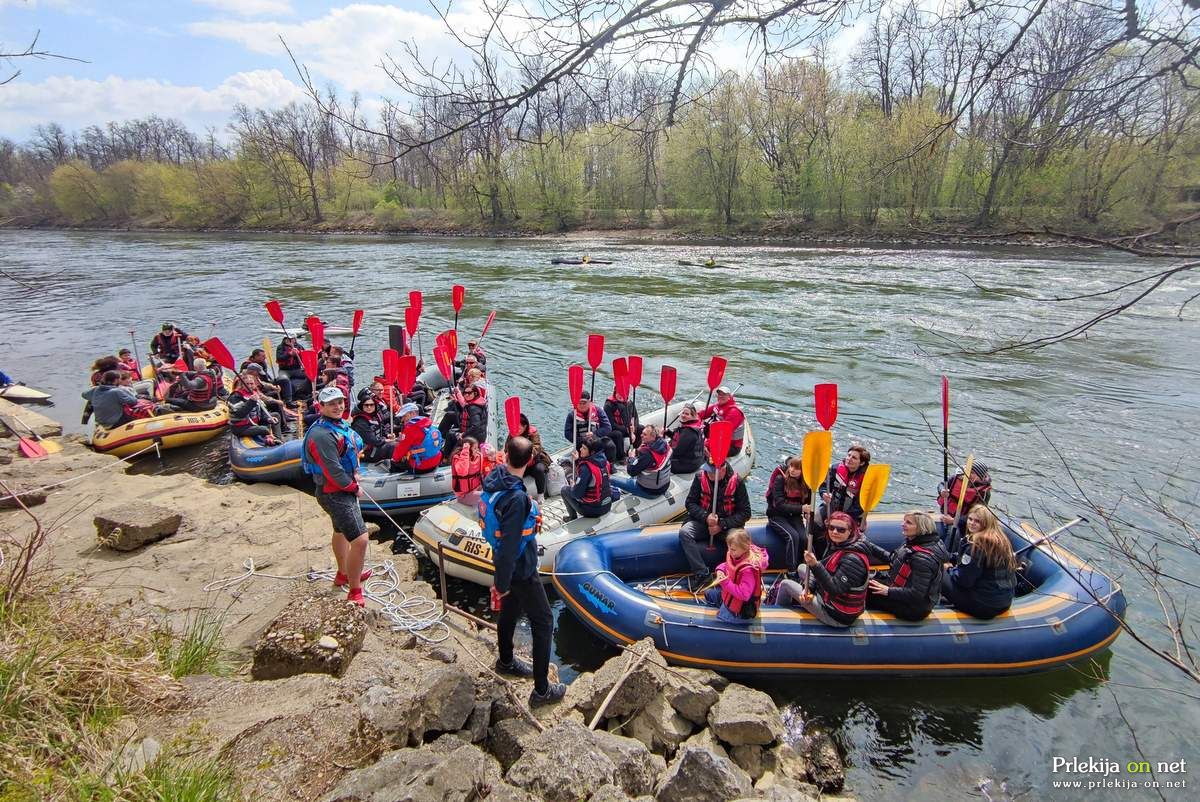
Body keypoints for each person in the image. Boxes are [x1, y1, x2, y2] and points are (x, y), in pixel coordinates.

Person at [480, 435, 565, 705]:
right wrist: (501, 583)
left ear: (505, 455)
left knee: (511, 611)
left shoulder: (494, 479)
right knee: (544, 621)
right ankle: (542, 690)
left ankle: (506, 660)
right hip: (520, 568)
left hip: (506, 564)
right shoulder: (516, 499)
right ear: (529, 461)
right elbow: (509, 544)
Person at [301, 386, 370, 607]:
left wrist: (356, 469)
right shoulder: (321, 435)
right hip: (335, 493)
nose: (338, 406)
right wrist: (353, 487)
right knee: (360, 540)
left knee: (340, 532)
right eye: (331, 404)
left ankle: (343, 574)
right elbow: (333, 471)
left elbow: (350, 450)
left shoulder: (337, 425)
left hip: (338, 489)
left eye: (340, 402)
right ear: (321, 407)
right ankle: (354, 590)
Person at [773, 511, 870, 627]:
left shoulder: (852, 560)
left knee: (785, 584)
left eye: (841, 530)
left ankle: (776, 619)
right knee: (802, 567)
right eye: (831, 528)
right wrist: (807, 589)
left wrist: (815, 565)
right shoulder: (838, 545)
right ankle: (802, 595)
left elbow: (834, 589)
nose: (834, 532)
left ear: (850, 532)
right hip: (827, 597)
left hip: (836, 614)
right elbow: (822, 573)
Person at [864, 511, 949, 621]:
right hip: (899, 590)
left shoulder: (922, 558)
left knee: (861, 591)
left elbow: (917, 594)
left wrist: (888, 591)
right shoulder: (914, 543)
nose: (902, 524)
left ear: (921, 528)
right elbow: (893, 559)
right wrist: (868, 545)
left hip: (912, 608)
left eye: (908, 523)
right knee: (863, 580)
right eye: (904, 521)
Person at [678, 455, 751, 583]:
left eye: (711, 472)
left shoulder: (737, 482)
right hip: (704, 523)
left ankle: (735, 573)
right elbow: (690, 503)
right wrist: (706, 517)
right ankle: (701, 573)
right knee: (685, 532)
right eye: (707, 470)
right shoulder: (700, 478)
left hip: (727, 527)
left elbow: (745, 513)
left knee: (737, 538)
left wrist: (721, 525)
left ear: (722, 470)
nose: (708, 474)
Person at [940, 504, 1016, 619]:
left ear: (986, 523)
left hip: (983, 606)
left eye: (977, 521)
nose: (971, 523)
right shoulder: (1001, 540)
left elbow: (964, 581)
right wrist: (953, 559)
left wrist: (949, 569)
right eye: (970, 519)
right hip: (1003, 602)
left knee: (936, 568)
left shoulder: (976, 545)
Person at [701, 528, 767, 624]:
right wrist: (720, 569)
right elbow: (728, 565)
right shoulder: (736, 554)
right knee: (708, 594)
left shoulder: (748, 570)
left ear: (744, 548)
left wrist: (725, 582)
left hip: (740, 609)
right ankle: (723, 602)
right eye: (729, 548)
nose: (730, 551)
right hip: (729, 595)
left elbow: (744, 595)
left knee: (717, 621)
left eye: (733, 550)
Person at [766, 456, 813, 575]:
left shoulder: (805, 483)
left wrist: (808, 513)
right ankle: (791, 570)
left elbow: (808, 501)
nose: (792, 470)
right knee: (792, 537)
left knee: (804, 538)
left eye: (797, 468)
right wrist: (802, 508)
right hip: (777, 516)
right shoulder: (780, 479)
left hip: (794, 516)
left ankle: (803, 567)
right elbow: (780, 505)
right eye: (791, 466)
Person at [938, 461, 993, 554]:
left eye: (972, 473)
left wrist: (954, 521)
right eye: (968, 471)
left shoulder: (984, 493)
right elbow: (941, 484)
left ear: (980, 476)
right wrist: (942, 490)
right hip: (948, 513)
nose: (968, 475)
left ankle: (947, 557)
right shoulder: (957, 478)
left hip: (966, 521)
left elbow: (978, 514)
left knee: (954, 533)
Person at [81, 370, 170, 428]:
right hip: (116, 421)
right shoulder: (116, 391)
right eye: (119, 379)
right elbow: (133, 401)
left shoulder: (95, 390)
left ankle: (86, 422)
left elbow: (84, 395)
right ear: (115, 380)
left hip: (102, 422)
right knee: (146, 410)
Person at [560, 434, 613, 521]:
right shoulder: (605, 462)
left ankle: (572, 517)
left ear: (592, 452)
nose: (580, 449)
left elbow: (577, 494)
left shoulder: (585, 468)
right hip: (607, 504)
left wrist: (573, 487)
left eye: (584, 448)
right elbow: (591, 464)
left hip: (593, 510)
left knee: (565, 490)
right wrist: (578, 460)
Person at [611, 424, 672, 499]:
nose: (641, 435)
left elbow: (631, 472)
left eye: (645, 434)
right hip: (664, 485)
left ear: (653, 436)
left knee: (611, 479)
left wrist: (631, 458)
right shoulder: (665, 445)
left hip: (649, 491)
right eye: (642, 433)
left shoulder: (648, 455)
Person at [817, 445, 870, 529]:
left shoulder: (866, 478)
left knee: (842, 528)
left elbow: (860, 505)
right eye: (849, 455)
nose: (849, 459)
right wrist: (823, 493)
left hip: (853, 513)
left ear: (862, 463)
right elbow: (823, 486)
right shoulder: (835, 468)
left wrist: (841, 518)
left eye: (854, 458)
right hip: (832, 506)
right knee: (816, 520)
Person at [504, 413, 550, 500]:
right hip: (519, 462)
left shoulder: (533, 433)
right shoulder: (512, 433)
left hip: (534, 461)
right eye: (515, 428)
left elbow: (537, 446)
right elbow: (507, 448)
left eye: (519, 428)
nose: (517, 430)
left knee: (539, 469)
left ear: (525, 427)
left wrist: (526, 453)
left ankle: (541, 494)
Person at [229, 372, 283, 445]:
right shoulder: (236, 396)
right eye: (247, 384)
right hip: (242, 427)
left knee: (276, 415)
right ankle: (269, 440)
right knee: (264, 429)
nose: (250, 386)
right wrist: (251, 402)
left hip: (255, 423)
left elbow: (262, 412)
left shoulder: (255, 393)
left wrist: (268, 418)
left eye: (251, 384)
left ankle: (277, 439)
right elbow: (239, 414)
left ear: (254, 384)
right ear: (242, 385)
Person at [390, 402, 444, 474]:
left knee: (394, 462)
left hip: (422, 465)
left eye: (404, 416)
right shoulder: (426, 422)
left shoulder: (410, 429)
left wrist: (394, 459)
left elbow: (400, 451)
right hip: (436, 459)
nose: (402, 419)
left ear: (412, 414)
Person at [563, 391, 615, 464]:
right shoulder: (572, 415)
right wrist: (581, 440)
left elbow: (607, 427)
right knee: (582, 452)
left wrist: (594, 434)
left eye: (584, 403)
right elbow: (567, 433)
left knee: (610, 445)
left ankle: (609, 465)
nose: (581, 405)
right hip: (581, 442)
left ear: (589, 402)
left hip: (596, 440)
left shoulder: (598, 411)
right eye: (579, 403)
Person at [440, 380, 488, 457]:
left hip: (475, 437)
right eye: (465, 393)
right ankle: (441, 437)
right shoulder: (473, 402)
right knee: (450, 418)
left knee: (451, 434)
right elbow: (465, 411)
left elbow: (475, 426)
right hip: (472, 430)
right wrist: (456, 402)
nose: (466, 395)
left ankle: (446, 458)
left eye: (469, 393)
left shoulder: (474, 408)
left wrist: (463, 434)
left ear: (475, 393)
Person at [700, 385, 746, 456]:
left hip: (731, 445)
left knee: (699, 448)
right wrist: (691, 419)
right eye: (719, 394)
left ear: (729, 397)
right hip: (718, 437)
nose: (720, 396)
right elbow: (703, 414)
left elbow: (723, 433)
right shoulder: (718, 405)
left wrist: (706, 444)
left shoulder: (734, 412)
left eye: (724, 394)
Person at [452, 436, 496, 506]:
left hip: (477, 489)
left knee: (496, 494)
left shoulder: (478, 456)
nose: (477, 450)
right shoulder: (458, 458)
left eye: (477, 448)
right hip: (465, 495)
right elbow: (462, 472)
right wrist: (465, 451)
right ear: (468, 450)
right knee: (490, 497)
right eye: (475, 448)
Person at [351, 396, 394, 463]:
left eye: (371, 405)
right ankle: (394, 465)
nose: (369, 407)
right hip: (366, 452)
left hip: (376, 447)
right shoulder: (360, 421)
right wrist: (385, 440)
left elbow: (382, 428)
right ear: (362, 406)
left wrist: (388, 435)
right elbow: (371, 440)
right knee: (392, 446)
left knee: (397, 443)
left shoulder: (375, 416)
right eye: (366, 405)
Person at [666, 403, 705, 474]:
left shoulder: (689, 432)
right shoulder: (695, 426)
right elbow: (678, 438)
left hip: (687, 465)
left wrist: (662, 450)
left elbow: (677, 452)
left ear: (693, 416)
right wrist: (667, 432)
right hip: (695, 460)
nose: (683, 415)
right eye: (683, 413)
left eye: (687, 414)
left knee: (660, 460)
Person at [604, 382, 638, 462]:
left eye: (622, 393)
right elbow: (611, 425)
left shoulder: (629, 403)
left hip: (627, 429)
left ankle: (635, 451)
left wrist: (634, 430)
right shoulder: (609, 405)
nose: (620, 395)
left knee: (640, 429)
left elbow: (635, 418)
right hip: (612, 430)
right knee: (618, 434)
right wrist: (628, 430)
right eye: (618, 393)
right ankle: (621, 458)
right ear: (615, 392)